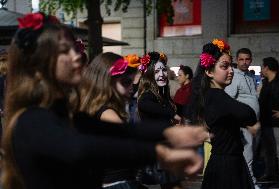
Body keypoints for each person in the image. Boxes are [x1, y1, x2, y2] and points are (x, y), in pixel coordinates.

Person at [1, 12, 209, 189]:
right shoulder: (31, 119)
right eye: (64, 51)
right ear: (39, 65)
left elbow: (122, 131)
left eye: (73, 47)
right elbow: (80, 148)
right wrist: (159, 152)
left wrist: (168, 133)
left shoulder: (63, 114)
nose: (76, 56)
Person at [191, 39, 257, 189]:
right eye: (224, 66)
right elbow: (250, 115)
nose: (231, 70)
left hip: (224, 163)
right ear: (208, 71)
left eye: (231, 66)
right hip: (227, 168)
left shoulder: (211, 95)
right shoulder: (217, 96)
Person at [79, 52, 141, 189]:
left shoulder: (91, 108)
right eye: (126, 82)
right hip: (118, 183)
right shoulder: (107, 113)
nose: (131, 87)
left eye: (131, 81)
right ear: (106, 82)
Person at [137, 52, 182, 187]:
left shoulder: (163, 95)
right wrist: (172, 115)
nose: (161, 74)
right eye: (156, 71)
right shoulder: (147, 95)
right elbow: (144, 104)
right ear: (150, 75)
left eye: (163, 70)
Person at [224, 48, 260, 188]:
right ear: (236, 60)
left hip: (253, 125)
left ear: (251, 60)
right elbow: (230, 101)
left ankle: (246, 183)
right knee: (248, 156)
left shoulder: (251, 77)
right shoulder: (234, 77)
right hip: (244, 126)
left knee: (250, 156)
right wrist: (242, 123)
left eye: (247, 59)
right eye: (241, 59)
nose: (244, 62)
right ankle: (252, 184)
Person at [259, 57, 279, 187]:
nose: (262, 70)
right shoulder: (265, 83)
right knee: (268, 152)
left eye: (263, 67)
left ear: (267, 68)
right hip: (266, 123)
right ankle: (270, 174)